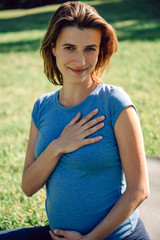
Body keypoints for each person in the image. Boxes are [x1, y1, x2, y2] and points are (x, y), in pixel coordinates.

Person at [0, 1, 150, 240]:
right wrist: (58, 146)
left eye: (90, 49)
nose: (80, 61)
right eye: (69, 48)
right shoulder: (42, 107)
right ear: (53, 48)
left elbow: (139, 189)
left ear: (100, 50)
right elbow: (28, 187)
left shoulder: (114, 102)